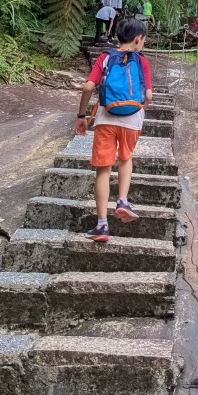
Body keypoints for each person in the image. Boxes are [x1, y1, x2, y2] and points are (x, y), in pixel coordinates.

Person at [75, 18, 153, 242]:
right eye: (144, 40)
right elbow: (148, 96)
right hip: (132, 121)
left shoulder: (106, 57)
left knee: (103, 170)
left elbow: (89, 86)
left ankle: (101, 226)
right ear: (138, 39)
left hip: (105, 119)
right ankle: (123, 201)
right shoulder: (142, 61)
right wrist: (139, 108)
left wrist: (82, 116)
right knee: (126, 159)